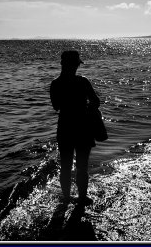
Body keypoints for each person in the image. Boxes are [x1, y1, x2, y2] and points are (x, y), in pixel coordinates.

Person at [50, 50, 100, 206]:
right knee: (82, 166)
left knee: (65, 166)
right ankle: (82, 198)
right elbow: (96, 102)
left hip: (65, 127)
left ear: (62, 64)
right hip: (83, 127)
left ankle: (66, 198)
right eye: (77, 64)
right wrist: (86, 108)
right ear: (76, 64)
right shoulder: (83, 81)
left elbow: (56, 106)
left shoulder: (55, 84)